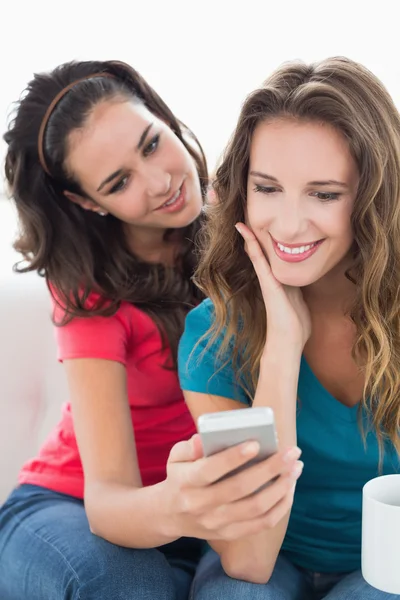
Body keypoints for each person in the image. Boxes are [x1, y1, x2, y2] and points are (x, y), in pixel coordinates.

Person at [0, 60, 294, 600]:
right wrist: (181, 506)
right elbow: (108, 500)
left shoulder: (245, 221)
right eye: (119, 182)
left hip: (200, 515)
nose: (160, 182)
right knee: (131, 586)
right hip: (71, 508)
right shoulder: (89, 290)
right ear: (88, 202)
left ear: (162, 117)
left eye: (152, 144)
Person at [178, 56, 400, 599]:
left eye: (324, 194)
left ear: (375, 199)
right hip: (270, 558)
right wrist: (283, 346)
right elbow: (250, 559)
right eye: (268, 188)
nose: (289, 223)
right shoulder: (214, 334)